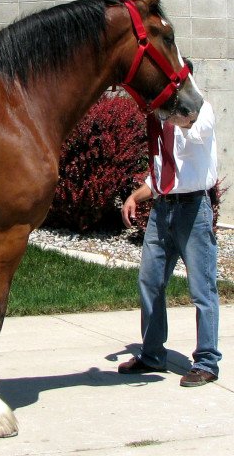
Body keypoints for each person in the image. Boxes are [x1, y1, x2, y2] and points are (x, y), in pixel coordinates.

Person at [119, 60, 221, 387]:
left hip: (194, 211)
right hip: (163, 211)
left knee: (202, 289)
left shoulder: (201, 110)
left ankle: (206, 362)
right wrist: (137, 196)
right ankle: (152, 354)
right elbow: (164, 175)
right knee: (149, 281)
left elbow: (196, 128)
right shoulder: (163, 124)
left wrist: (168, 112)